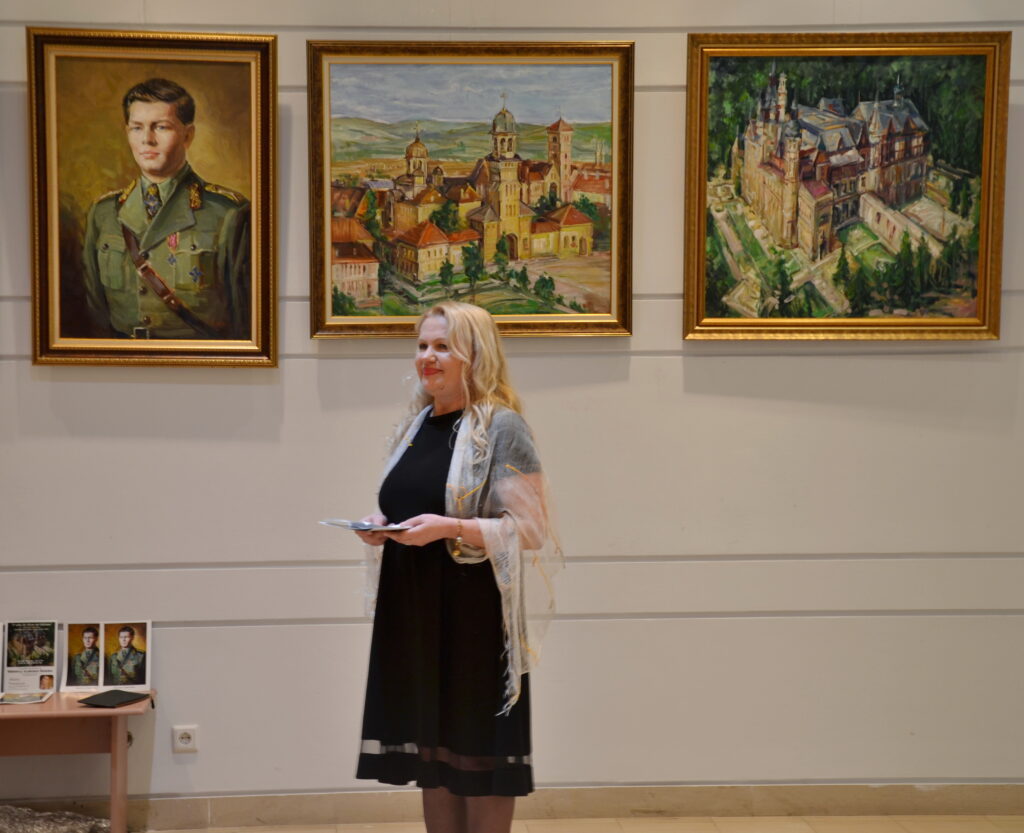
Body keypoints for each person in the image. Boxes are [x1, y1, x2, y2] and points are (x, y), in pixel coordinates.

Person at [351, 301, 562, 833]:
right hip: (415, 611)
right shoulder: (417, 423)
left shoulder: (502, 427)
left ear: (476, 355)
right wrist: (381, 524)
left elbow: (531, 530)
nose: (427, 357)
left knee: (477, 755)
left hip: (472, 617)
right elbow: (410, 504)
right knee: (434, 756)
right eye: (423, 345)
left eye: (443, 346)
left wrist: (450, 528)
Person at [82, 77, 251, 340]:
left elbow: (244, 321)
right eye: (137, 128)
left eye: (161, 127)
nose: (147, 140)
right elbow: (95, 314)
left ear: (188, 135)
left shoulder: (228, 213)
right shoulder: (103, 213)